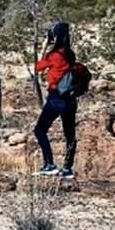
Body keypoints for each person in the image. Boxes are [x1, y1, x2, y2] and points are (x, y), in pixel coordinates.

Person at [33, 21, 78, 178]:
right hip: (70, 99)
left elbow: (38, 67)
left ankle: (49, 164)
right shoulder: (70, 54)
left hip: (56, 99)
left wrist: (44, 45)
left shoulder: (54, 56)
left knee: (39, 130)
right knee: (70, 134)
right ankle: (67, 168)